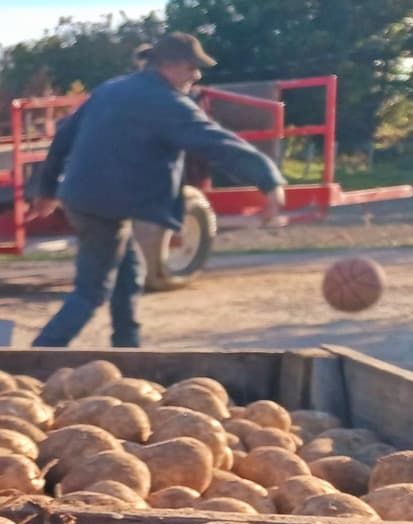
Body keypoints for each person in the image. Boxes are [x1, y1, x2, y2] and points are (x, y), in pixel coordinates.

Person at [29, 30, 284, 348]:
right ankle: (38, 356)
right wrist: (268, 180)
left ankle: (128, 351)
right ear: (170, 65)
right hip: (103, 206)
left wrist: (47, 189)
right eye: (192, 67)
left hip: (84, 199)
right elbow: (216, 143)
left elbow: (63, 136)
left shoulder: (111, 89)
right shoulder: (168, 103)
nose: (197, 75)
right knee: (91, 291)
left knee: (129, 273)